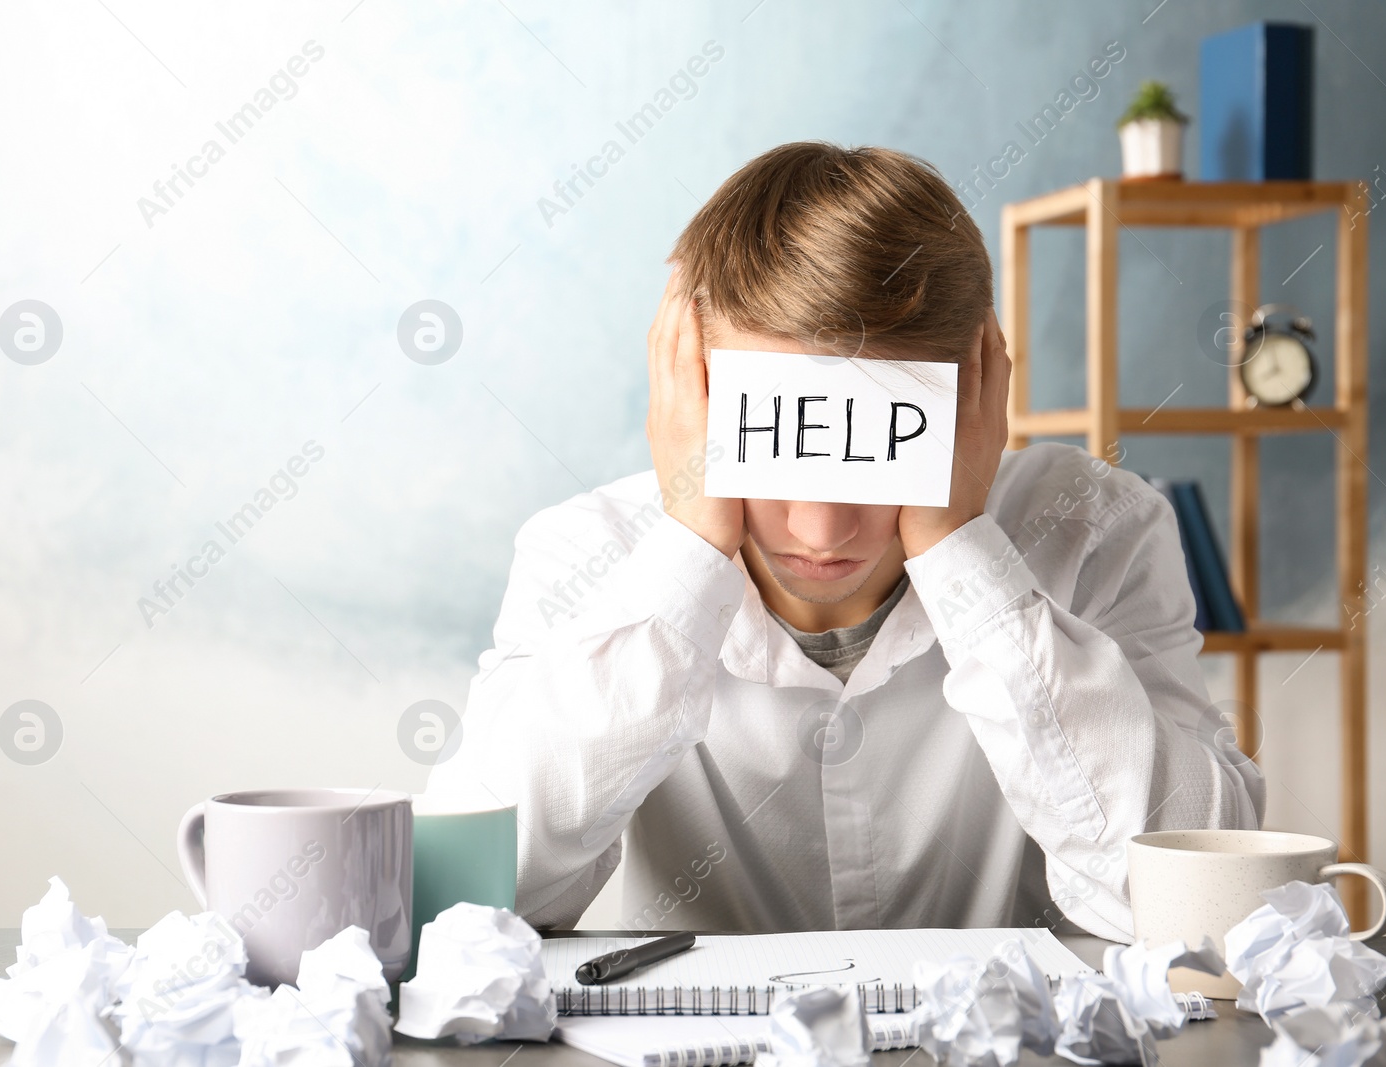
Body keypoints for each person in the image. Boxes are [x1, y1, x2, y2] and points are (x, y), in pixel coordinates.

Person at [426, 142, 1264, 942]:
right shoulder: (586, 551)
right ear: (690, 393)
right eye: (777, 443)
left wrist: (963, 551)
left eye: (885, 446)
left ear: (978, 391)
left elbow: (1212, 912)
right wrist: (687, 552)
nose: (822, 529)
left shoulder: (1098, 530)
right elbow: (457, 901)